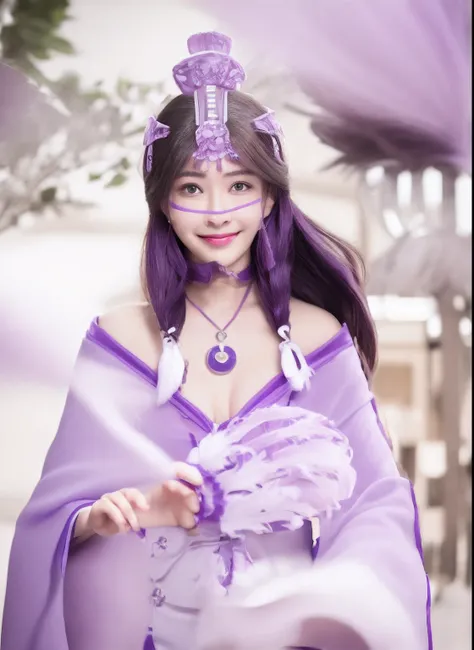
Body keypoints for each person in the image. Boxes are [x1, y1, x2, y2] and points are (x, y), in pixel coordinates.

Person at [1, 32, 432, 650]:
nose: (218, 212)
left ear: (270, 197)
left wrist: (336, 599)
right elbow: (54, 514)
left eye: (238, 186)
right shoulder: (118, 338)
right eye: (191, 189)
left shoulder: (316, 339)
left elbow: (375, 504)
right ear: (164, 206)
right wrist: (99, 520)